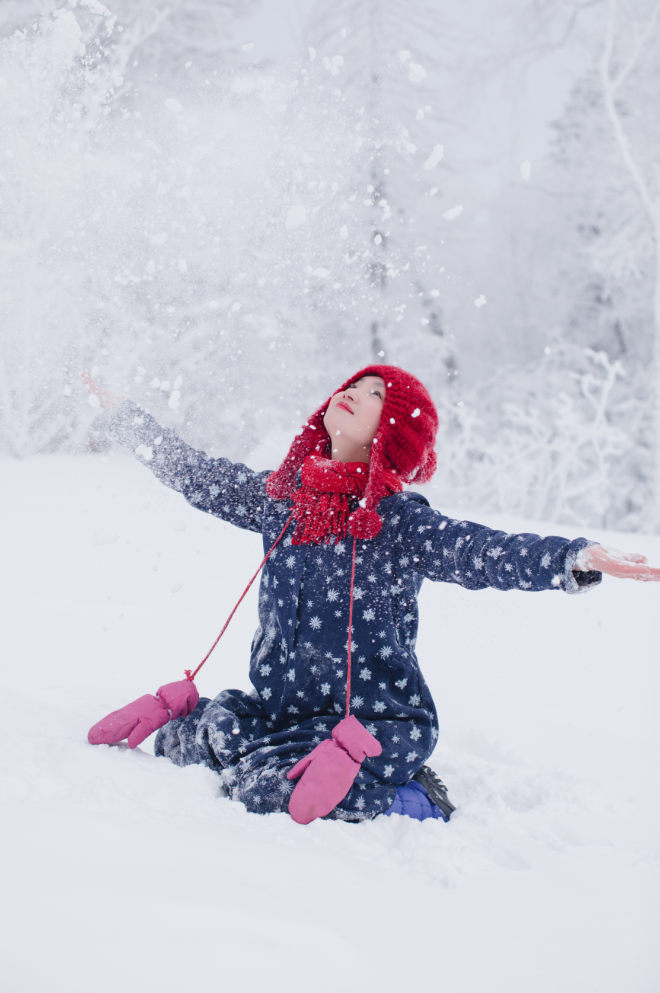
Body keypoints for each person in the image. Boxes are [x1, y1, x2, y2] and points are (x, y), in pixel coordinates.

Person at [83, 366, 660, 824]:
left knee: (265, 789)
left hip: (373, 721)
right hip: (284, 710)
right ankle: (213, 723)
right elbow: (200, 476)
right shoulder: (281, 500)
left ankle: (418, 798)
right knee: (202, 740)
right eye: (354, 384)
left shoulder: (396, 522)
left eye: (376, 394)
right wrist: (129, 421)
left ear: (393, 433)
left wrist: (572, 558)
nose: (355, 392)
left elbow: (479, 550)